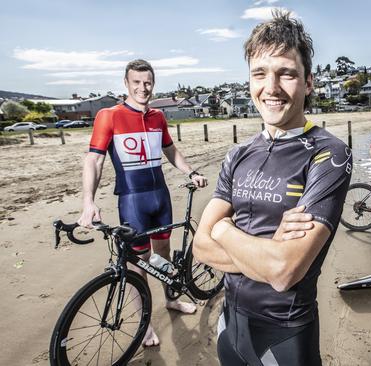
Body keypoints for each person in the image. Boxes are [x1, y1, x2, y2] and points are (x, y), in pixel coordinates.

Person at [192, 11, 352, 365]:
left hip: (285, 335)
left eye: (286, 73)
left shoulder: (329, 153)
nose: (272, 87)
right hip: (229, 326)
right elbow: (200, 248)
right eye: (259, 74)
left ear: (308, 82)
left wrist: (222, 228)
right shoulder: (239, 154)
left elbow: (284, 271)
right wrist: (264, 251)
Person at [77, 59, 208, 347]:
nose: (142, 88)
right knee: (138, 263)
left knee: (163, 252)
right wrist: (89, 202)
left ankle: (171, 300)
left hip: (160, 197)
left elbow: (170, 150)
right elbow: (94, 160)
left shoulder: (158, 117)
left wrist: (191, 171)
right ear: (126, 83)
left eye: (147, 82)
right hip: (133, 200)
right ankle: (145, 324)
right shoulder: (109, 116)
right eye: (136, 82)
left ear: (153, 83)